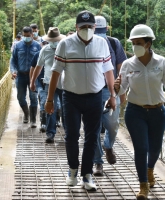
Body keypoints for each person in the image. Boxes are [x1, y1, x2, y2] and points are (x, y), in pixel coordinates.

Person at [45, 10, 116, 191]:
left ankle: (87, 174)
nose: (87, 29)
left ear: (95, 27)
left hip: (95, 97)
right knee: (71, 136)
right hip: (71, 98)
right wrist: (50, 99)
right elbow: (56, 72)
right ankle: (72, 170)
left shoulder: (102, 44)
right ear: (76, 27)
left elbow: (108, 70)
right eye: (83, 27)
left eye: (90, 26)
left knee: (92, 137)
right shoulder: (65, 44)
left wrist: (113, 96)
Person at [114, 24, 165, 200]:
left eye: (139, 42)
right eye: (133, 43)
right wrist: (116, 87)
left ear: (148, 44)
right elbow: (121, 91)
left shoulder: (161, 62)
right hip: (135, 112)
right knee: (141, 148)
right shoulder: (128, 64)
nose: (135, 46)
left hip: (158, 112)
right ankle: (143, 185)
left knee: (155, 147)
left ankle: (150, 169)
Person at [92, 16, 127, 176]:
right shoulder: (86, 44)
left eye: (101, 31)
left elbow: (121, 69)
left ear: (106, 29)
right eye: (96, 31)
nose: (99, 34)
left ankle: (108, 145)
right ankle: (98, 162)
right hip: (91, 91)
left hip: (110, 89)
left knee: (112, 125)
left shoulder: (114, 43)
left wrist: (122, 93)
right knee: (93, 127)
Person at [29, 27, 66, 143]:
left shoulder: (66, 48)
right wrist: (32, 82)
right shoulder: (44, 50)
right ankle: (50, 133)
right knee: (50, 108)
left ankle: (68, 133)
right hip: (49, 83)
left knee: (66, 109)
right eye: (52, 40)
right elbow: (38, 67)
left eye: (56, 40)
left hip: (65, 84)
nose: (54, 42)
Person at [10, 26, 41, 128]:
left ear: (32, 35)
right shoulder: (18, 46)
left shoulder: (38, 46)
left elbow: (41, 62)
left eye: (28, 36)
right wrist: (13, 71)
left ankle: (33, 120)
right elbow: (13, 60)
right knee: (20, 97)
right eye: (24, 36)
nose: (26, 37)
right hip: (21, 75)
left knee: (33, 97)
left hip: (33, 76)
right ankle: (26, 113)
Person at [30, 49, 47, 132]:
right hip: (42, 81)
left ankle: (56, 122)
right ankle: (43, 122)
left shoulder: (61, 51)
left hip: (57, 82)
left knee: (57, 104)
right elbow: (35, 67)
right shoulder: (39, 53)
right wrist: (32, 82)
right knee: (43, 101)